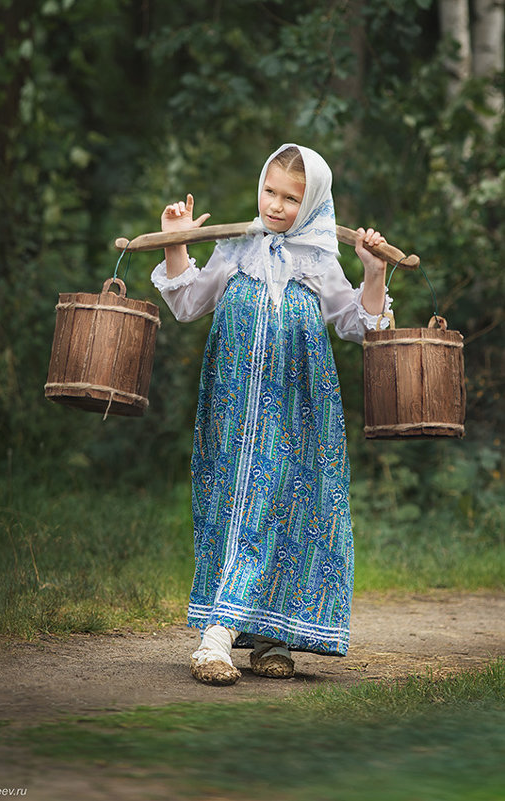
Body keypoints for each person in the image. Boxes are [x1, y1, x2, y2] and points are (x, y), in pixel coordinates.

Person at [150, 143, 392, 686]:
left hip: (299, 411)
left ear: (312, 205)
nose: (277, 206)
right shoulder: (237, 247)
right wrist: (177, 243)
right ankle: (218, 634)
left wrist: (372, 273)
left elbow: (358, 324)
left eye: (291, 198)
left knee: (284, 503)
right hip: (234, 408)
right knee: (240, 500)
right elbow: (187, 303)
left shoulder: (320, 259)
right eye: (270, 191)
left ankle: (270, 635)